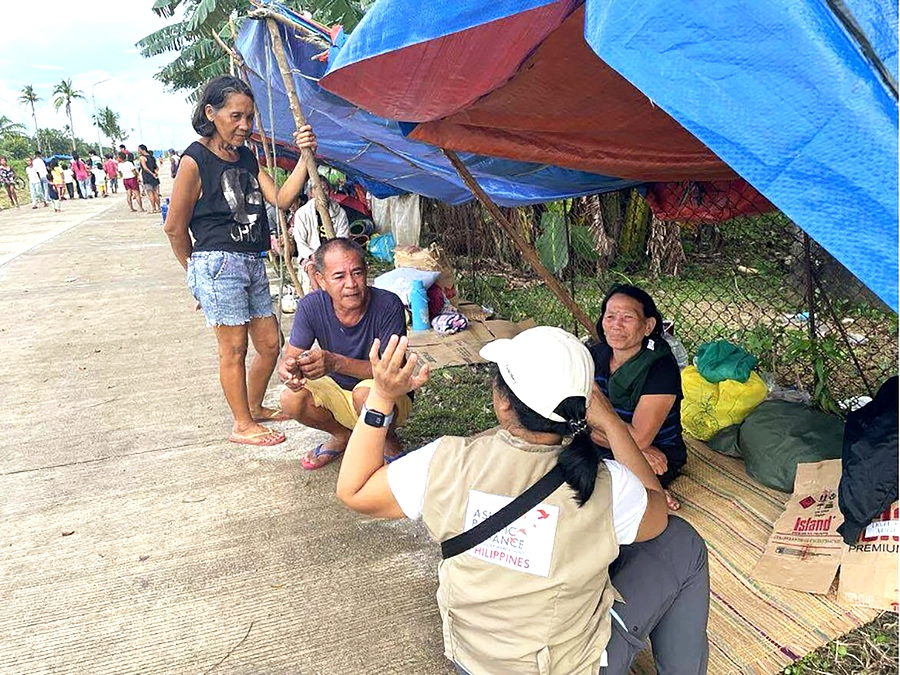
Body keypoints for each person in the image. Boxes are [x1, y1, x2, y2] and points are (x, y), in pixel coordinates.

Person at [336, 327, 710, 675]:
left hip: (474, 661)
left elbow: (354, 490)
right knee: (683, 542)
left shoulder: (444, 460)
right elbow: (657, 512)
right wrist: (612, 424)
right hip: (560, 667)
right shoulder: (610, 484)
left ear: (501, 403)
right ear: (584, 407)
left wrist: (383, 396)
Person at [163, 75, 318, 447]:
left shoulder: (246, 157)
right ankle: (242, 424)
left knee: (269, 343)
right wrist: (196, 275)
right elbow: (174, 227)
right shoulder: (194, 159)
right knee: (233, 349)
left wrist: (304, 156)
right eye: (236, 116)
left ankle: (253, 407)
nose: (245, 126)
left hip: (251, 259)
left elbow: (280, 198)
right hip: (217, 262)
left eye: (249, 117)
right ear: (210, 113)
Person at [278, 237, 410, 468]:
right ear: (321, 280)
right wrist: (291, 370)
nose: (351, 283)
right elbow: (289, 357)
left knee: (365, 395)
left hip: (386, 394)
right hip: (339, 391)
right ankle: (342, 436)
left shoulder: (388, 305)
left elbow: (390, 373)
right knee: (291, 398)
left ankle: (388, 439)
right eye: (339, 276)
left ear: (366, 272)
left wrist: (335, 363)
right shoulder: (311, 306)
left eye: (357, 273)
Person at [589, 284, 686, 511]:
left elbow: (640, 439)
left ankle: (646, 490)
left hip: (659, 451)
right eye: (610, 316)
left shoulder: (660, 368)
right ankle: (644, 487)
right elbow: (576, 415)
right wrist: (631, 446)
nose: (616, 325)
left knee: (608, 493)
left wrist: (591, 429)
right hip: (623, 448)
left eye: (627, 317)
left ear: (648, 325)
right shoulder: (595, 354)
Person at [291, 187, 350, 293]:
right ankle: (320, 297)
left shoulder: (339, 213)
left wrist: (332, 255)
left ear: (330, 191)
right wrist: (313, 256)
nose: (322, 193)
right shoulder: (302, 213)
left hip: (334, 254)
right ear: (311, 193)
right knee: (312, 269)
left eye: (325, 189)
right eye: (318, 189)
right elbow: (300, 243)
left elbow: (343, 239)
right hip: (310, 256)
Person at [138, 144, 161, 212]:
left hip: (147, 177)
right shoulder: (152, 157)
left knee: (150, 193)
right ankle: (159, 208)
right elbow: (156, 167)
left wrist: (152, 173)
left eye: (139, 150)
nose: (138, 151)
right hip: (154, 177)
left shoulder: (142, 158)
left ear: (142, 150)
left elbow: (145, 168)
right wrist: (155, 173)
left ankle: (153, 208)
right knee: (155, 192)